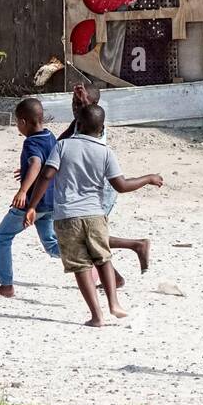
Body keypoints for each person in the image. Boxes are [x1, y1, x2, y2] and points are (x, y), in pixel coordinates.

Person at [24, 104, 163, 327]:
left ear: (77, 125)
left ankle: (97, 316)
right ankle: (114, 304)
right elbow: (121, 185)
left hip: (67, 217)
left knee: (80, 266)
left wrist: (32, 206)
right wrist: (148, 178)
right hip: (96, 215)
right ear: (102, 128)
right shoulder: (106, 152)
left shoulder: (62, 146)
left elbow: (46, 176)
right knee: (103, 258)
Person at [58, 84, 152, 282]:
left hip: (101, 192)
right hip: (85, 192)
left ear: (94, 107)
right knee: (89, 235)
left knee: (88, 235)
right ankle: (120, 270)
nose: (76, 107)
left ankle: (136, 247)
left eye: (80, 103)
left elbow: (121, 184)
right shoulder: (76, 126)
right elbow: (57, 147)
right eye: (73, 103)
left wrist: (84, 102)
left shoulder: (97, 128)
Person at [0, 98, 60, 298]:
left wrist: (22, 191)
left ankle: (6, 286)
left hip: (32, 203)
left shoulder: (31, 142)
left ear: (23, 122)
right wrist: (27, 170)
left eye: (18, 122)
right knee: (52, 245)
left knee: (2, 237)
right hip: (50, 201)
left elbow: (36, 163)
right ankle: (90, 257)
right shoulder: (50, 136)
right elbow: (46, 162)